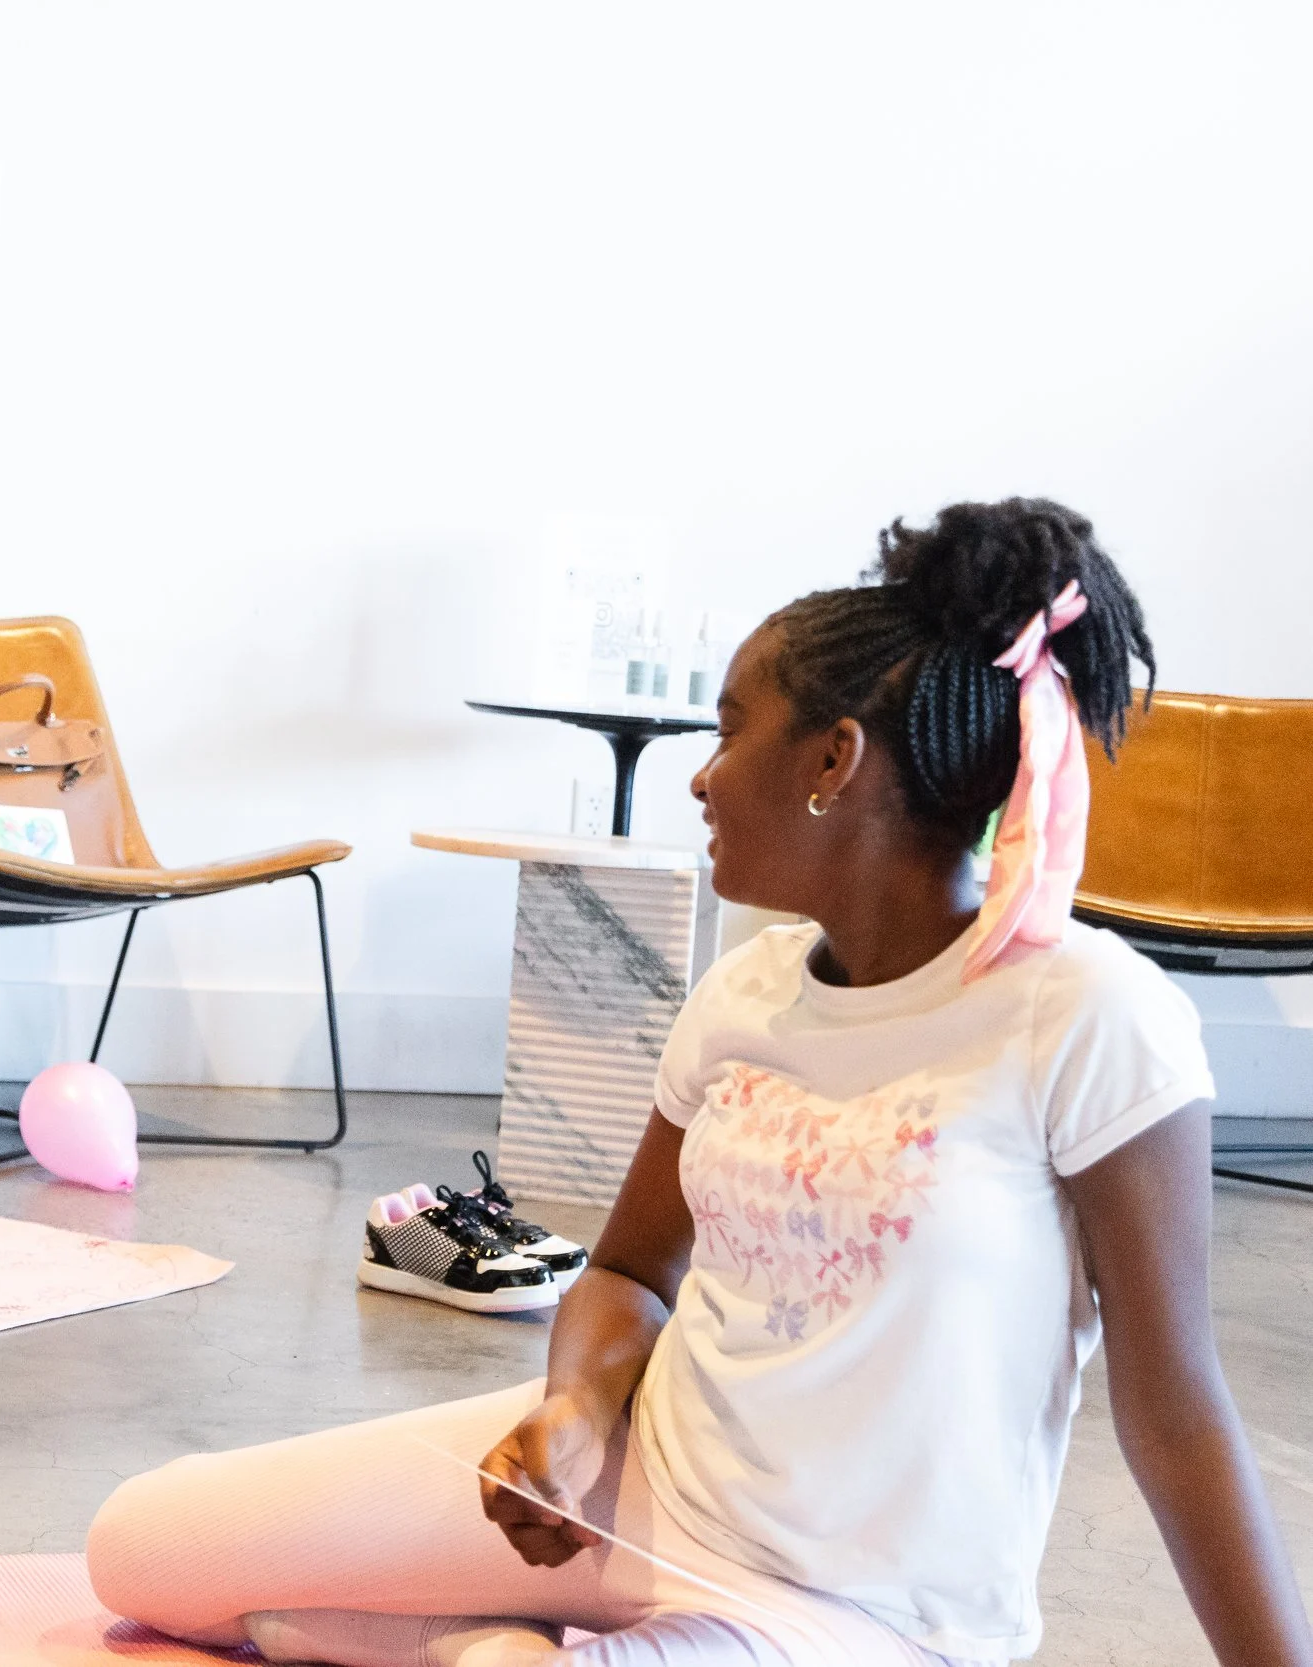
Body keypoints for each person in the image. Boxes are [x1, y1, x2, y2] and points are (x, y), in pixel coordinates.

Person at [85, 500, 1313, 1666]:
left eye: (729, 729)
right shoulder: (745, 990)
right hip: (640, 1485)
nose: (699, 774)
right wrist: (570, 1416)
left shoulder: (1089, 1015)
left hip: (866, 1614)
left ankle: (472, 1641)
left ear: (834, 757)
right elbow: (626, 1270)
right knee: (141, 1548)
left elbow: (1175, 1411)